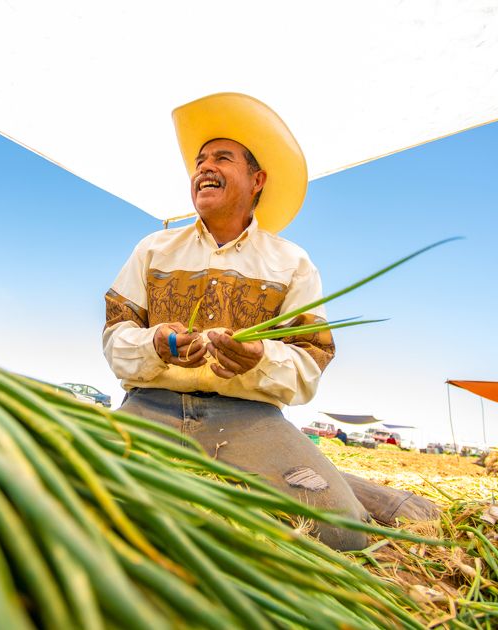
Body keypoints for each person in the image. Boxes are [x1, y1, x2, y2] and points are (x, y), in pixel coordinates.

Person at [103, 93, 437, 551]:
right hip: (151, 407)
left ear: (256, 179)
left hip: (246, 417)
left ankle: (332, 480)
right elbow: (115, 337)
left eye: (222, 158)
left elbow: (309, 365)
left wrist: (257, 358)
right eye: (200, 161)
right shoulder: (153, 249)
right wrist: (157, 343)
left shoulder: (291, 262)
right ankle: (317, 470)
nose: (204, 168)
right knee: (95, 501)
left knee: (341, 531)